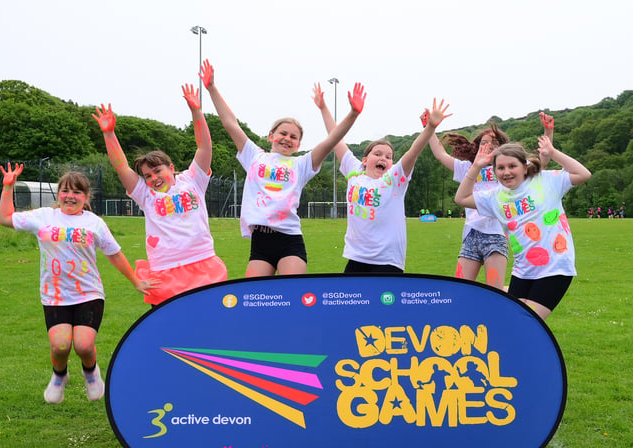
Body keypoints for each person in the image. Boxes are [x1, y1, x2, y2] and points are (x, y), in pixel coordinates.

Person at [0, 163, 156, 403]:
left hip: (88, 294)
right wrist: (8, 187)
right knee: (60, 346)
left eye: (77, 192)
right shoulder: (43, 216)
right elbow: (5, 218)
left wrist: (135, 280)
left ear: (86, 197)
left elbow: (114, 254)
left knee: (83, 345)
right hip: (55, 295)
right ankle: (59, 375)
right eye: (65, 191)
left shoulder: (94, 223)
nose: (70, 196)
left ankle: (91, 372)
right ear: (58, 194)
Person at [200, 59, 364, 277]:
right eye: (283, 133)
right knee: (255, 299)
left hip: (290, 240)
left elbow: (332, 140)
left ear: (298, 144)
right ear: (271, 136)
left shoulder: (301, 164)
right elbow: (231, 123)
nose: (287, 138)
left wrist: (353, 113)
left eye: (293, 137)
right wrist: (211, 88)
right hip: (261, 241)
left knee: (292, 298)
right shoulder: (254, 156)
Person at [92, 83, 227, 306]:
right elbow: (122, 167)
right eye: (147, 175)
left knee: (206, 325)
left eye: (157, 171)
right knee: (168, 328)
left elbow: (204, 147)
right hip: (165, 270)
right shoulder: (146, 195)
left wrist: (196, 111)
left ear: (171, 167)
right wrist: (109, 134)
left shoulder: (192, 181)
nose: (153, 178)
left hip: (202, 263)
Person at [313, 84, 452, 273]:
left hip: (388, 261)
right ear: (365, 159)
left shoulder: (393, 179)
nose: (383, 158)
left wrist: (430, 128)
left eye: (388, 156)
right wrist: (323, 107)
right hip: (356, 259)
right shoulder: (354, 172)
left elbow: (413, 152)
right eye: (377, 154)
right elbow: (335, 138)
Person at [454, 135, 591, 321]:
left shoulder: (545, 181)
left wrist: (553, 153)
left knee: (528, 323)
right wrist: (476, 166)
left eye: (512, 166)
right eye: (500, 168)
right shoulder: (495, 197)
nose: (506, 172)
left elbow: (584, 174)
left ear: (525, 167)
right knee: (512, 321)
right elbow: (461, 199)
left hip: (554, 267)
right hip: (522, 270)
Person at [426, 112, 553, 289]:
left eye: (493, 144)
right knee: (460, 289)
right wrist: (429, 129)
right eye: (484, 143)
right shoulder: (467, 168)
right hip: (471, 234)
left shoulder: (505, 170)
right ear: (477, 147)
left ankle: (514, 297)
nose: (487, 146)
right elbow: (440, 154)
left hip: (496, 235)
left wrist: (548, 133)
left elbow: (541, 162)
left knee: (495, 291)